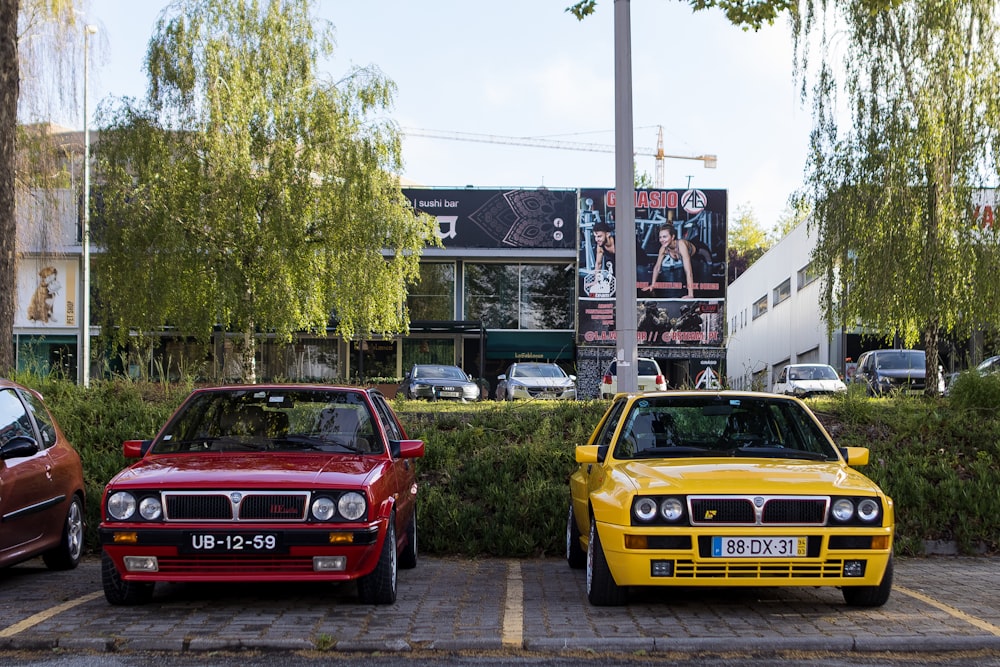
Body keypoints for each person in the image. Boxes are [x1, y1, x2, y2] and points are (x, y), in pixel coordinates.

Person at [643, 224, 712, 299]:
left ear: (672, 237)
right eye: (660, 237)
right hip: (692, 257)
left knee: (709, 263)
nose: (662, 240)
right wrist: (652, 285)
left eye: (665, 237)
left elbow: (688, 271)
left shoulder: (681, 245)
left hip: (700, 249)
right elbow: (657, 267)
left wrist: (690, 294)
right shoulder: (663, 249)